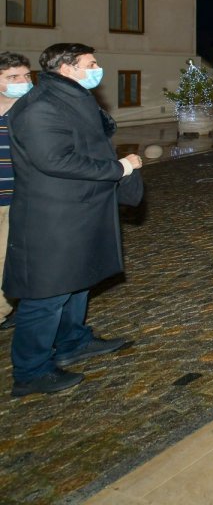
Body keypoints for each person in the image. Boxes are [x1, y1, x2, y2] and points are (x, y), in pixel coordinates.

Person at [5, 43, 140, 396]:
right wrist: (119, 169)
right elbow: (54, 160)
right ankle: (31, 371)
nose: (97, 69)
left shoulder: (70, 97)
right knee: (46, 294)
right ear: (67, 68)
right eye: (91, 64)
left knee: (78, 281)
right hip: (53, 216)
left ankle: (73, 341)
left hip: (81, 209)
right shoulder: (40, 107)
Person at [0, 53, 33, 330]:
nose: (23, 82)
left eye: (26, 76)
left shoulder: (31, 111)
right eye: (13, 77)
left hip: (17, 199)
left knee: (5, 259)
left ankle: (2, 312)